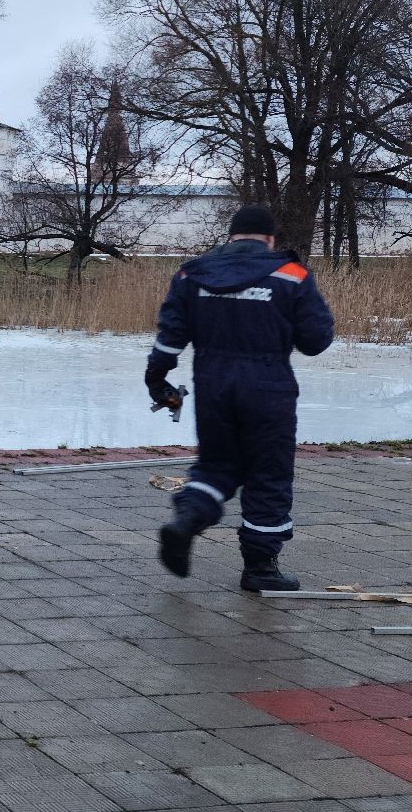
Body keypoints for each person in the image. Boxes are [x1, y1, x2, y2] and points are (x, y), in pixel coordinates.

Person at [148, 205, 333, 592]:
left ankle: (187, 521)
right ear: (270, 239)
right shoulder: (291, 275)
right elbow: (315, 341)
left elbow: (170, 336)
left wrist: (156, 377)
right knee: (268, 472)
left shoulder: (192, 274)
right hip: (268, 388)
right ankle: (260, 567)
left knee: (217, 465)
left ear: (231, 236)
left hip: (212, 386)